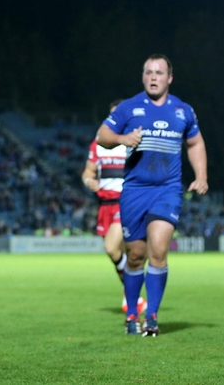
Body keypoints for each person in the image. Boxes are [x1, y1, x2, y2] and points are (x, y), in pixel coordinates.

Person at [98, 54, 208, 336]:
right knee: (135, 256)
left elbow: (195, 142)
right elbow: (102, 136)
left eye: (159, 72)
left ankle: (153, 317)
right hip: (134, 191)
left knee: (158, 249)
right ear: (143, 77)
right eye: (149, 72)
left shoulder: (183, 111)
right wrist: (123, 139)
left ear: (169, 78)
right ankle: (132, 314)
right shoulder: (129, 108)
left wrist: (201, 176)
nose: (154, 77)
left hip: (167, 190)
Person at [82, 100, 146, 316]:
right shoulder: (97, 144)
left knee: (111, 247)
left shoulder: (133, 142)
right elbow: (88, 172)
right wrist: (89, 181)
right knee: (117, 254)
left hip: (124, 201)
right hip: (104, 206)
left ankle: (133, 294)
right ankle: (132, 293)